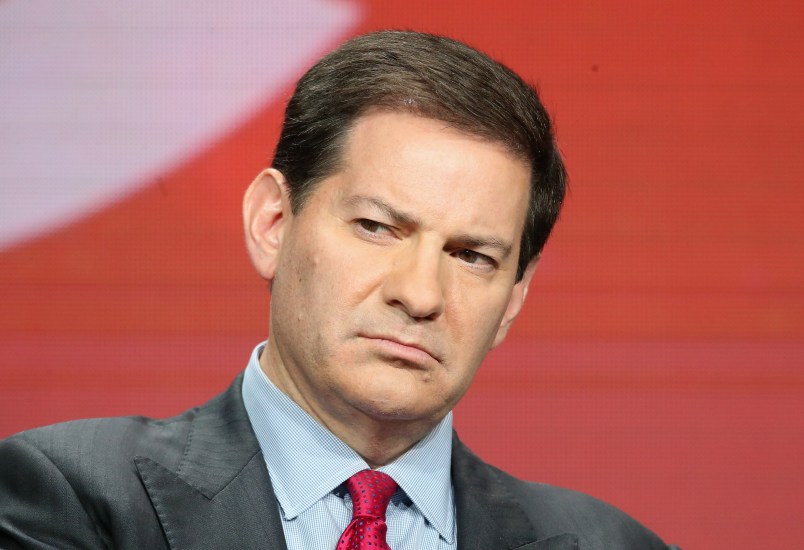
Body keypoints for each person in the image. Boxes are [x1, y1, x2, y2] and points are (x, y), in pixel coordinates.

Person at [0, 31, 677, 549]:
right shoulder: (73, 499)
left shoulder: (610, 543)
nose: (419, 295)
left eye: (471, 256)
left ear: (513, 302)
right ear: (273, 223)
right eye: (378, 227)